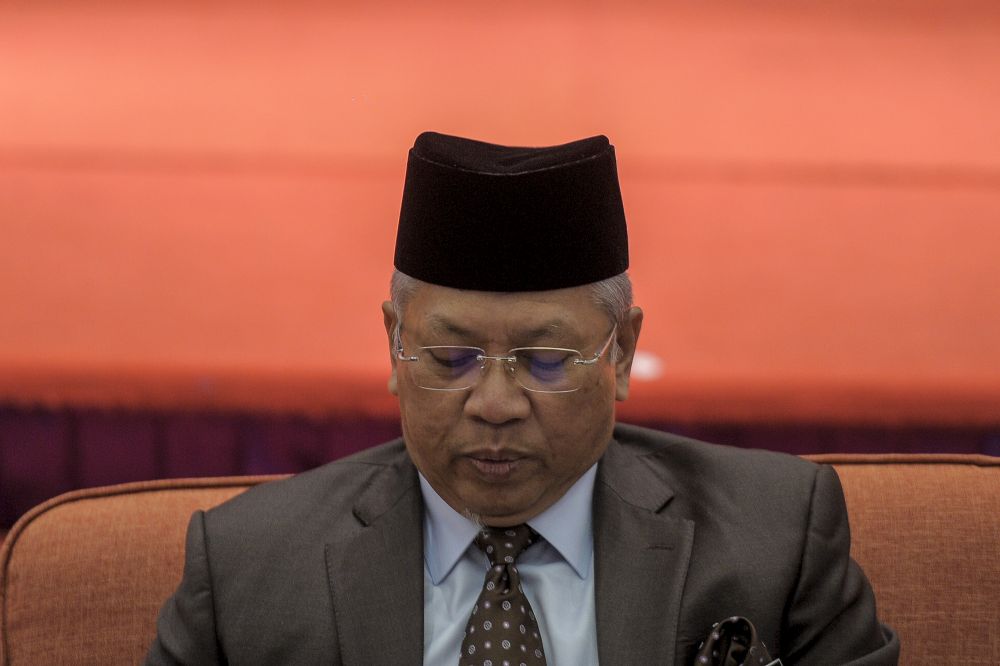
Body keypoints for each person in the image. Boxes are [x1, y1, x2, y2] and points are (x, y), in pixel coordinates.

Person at [146, 132, 899, 665]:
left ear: (624, 354)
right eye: (451, 358)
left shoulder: (774, 538)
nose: (496, 403)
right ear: (393, 347)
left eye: (545, 361)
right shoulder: (250, 568)